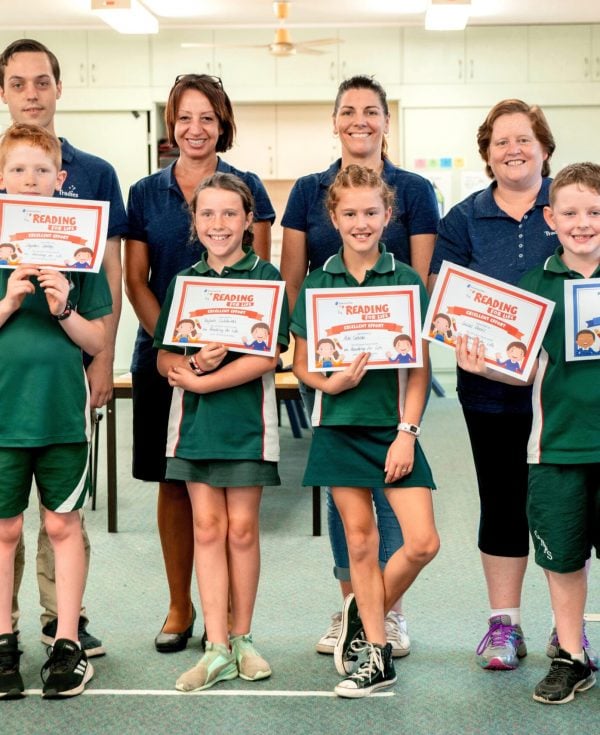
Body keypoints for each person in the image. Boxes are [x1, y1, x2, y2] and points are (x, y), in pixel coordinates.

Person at [429, 99, 597, 670]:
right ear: (486, 153)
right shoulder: (463, 218)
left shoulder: (571, 206)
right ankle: (505, 625)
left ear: (545, 147)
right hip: (494, 390)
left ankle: (567, 633)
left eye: (524, 139)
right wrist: (467, 351)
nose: (513, 150)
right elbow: (442, 301)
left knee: (570, 511)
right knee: (502, 502)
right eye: (500, 142)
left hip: (570, 397)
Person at [281, 75, 439, 658]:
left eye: (371, 111)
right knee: (354, 522)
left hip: (391, 374)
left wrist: (390, 330)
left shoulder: (415, 189)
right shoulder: (307, 190)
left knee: (405, 521)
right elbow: (297, 278)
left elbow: (417, 285)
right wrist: (315, 360)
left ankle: (382, 614)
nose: (360, 120)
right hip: (336, 374)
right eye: (348, 111)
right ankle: (356, 608)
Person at [125, 74, 275, 652]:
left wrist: (225, 353)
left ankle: (232, 617)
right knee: (172, 481)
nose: (196, 128)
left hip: (236, 358)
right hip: (162, 354)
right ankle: (179, 605)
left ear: (223, 124)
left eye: (207, 117)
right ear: (172, 125)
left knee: (233, 495)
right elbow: (137, 281)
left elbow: (256, 274)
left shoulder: (249, 187)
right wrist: (175, 344)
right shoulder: (144, 193)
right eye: (185, 117)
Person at [0, 38, 127, 657]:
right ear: (4, 92)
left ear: (57, 87)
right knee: (4, 522)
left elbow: (109, 276)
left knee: (61, 515)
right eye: (18, 83)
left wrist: (102, 362)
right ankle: (5, 629)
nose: (31, 94)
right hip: (7, 381)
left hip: (63, 373)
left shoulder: (96, 172)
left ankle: (61, 625)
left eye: (41, 82)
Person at [154, 172, 288, 691]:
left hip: (247, 425)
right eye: (207, 213)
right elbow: (165, 354)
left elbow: (268, 356)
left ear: (247, 220)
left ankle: (244, 638)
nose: (218, 224)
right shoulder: (184, 282)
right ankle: (214, 646)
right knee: (206, 529)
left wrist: (207, 382)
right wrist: (187, 363)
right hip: (192, 428)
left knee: (242, 530)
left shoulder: (266, 275)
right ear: (194, 221)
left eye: (229, 213)